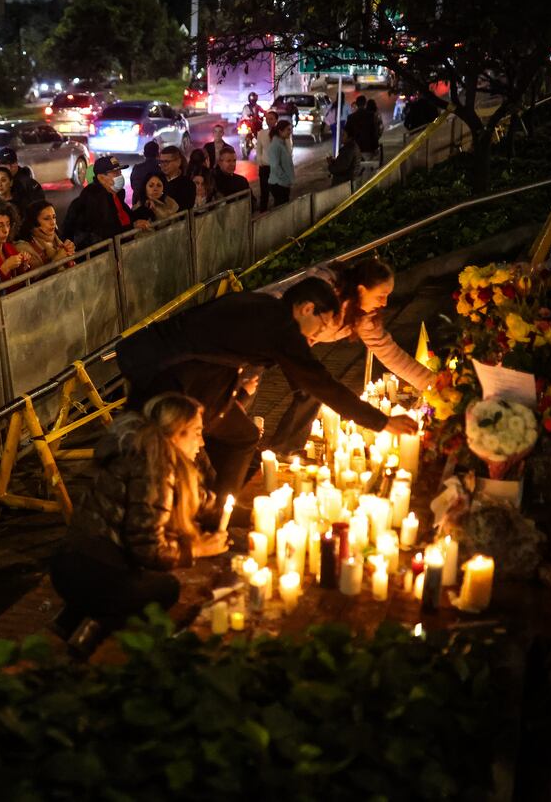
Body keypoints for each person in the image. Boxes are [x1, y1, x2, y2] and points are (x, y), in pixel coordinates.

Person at [114, 277, 417, 500]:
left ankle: (221, 507)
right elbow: (319, 381)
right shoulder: (280, 326)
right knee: (155, 458)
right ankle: (180, 515)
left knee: (243, 437)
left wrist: (239, 385)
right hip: (170, 379)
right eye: (321, 325)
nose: (319, 335)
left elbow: (223, 343)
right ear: (307, 308)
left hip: (194, 375)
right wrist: (382, 422)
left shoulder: (266, 310)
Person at [50, 393, 231, 641]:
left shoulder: (153, 455)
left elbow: (201, 502)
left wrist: (253, 512)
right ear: (176, 433)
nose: (201, 441)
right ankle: (97, 640)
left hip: (72, 563)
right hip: (90, 572)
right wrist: (197, 549)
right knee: (166, 588)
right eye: (197, 432)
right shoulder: (154, 469)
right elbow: (148, 549)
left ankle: (72, 620)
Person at [267, 258, 435, 455]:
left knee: (311, 390)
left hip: (292, 345)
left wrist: (431, 384)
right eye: (381, 295)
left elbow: (388, 350)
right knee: (249, 392)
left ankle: (284, 449)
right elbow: (287, 296)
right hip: (267, 329)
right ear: (362, 290)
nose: (385, 303)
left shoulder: (363, 314)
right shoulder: (325, 290)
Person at [62, 156, 143, 250]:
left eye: (120, 172)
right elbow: (103, 231)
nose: (120, 176)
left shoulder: (115, 195)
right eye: (115, 173)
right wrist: (131, 227)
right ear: (101, 177)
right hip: (100, 256)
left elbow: (125, 218)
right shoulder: (94, 198)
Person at [14, 201, 75, 268]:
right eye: (46, 219)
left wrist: (69, 252)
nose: (53, 222)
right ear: (34, 222)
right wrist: (58, 259)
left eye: (54, 217)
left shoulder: (56, 239)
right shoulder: (23, 248)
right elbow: (37, 277)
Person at [254, 109, 280, 211]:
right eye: (267, 119)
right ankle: (263, 210)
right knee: (264, 191)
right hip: (265, 167)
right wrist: (260, 162)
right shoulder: (261, 134)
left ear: (276, 120)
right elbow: (258, 150)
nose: (269, 121)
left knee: (277, 191)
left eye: (271, 119)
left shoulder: (281, 133)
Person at [157, 145, 196, 211]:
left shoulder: (188, 185)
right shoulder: (156, 180)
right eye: (161, 162)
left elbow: (185, 209)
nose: (163, 165)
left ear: (178, 162)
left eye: (166, 162)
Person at [267, 120, 295, 207]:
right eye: (288, 130)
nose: (290, 132)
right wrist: (285, 179)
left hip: (282, 183)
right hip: (278, 183)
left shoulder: (282, 144)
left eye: (290, 129)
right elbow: (275, 165)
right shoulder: (276, 145)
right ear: (280, 131)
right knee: (281, 209)